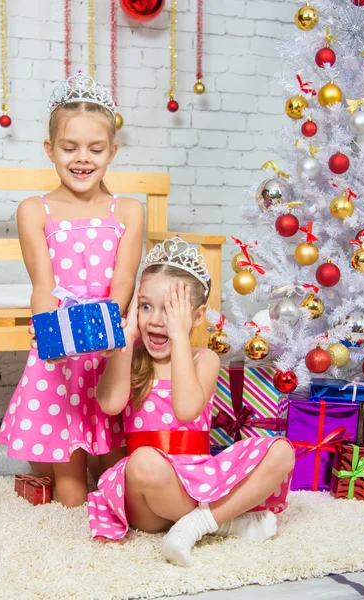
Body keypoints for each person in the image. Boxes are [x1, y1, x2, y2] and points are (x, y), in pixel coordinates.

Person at [88, 236, 295, 567]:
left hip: (200, 477)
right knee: (142, 461)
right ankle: (225, 522)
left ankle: (197, 524)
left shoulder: (204, 359)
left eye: (171, 310)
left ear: (197, 317)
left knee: (282, 450)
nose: (157, 320)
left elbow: (186, 409)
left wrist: (181, 337)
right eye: (145, 306)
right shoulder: (130, 356)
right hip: (149, 494)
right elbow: (110, 404)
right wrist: (125, 341)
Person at [0, 71, 144, 507]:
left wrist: (97, 329)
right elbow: (43, 285)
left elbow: (123, 281)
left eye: (95, 149)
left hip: (107, 341)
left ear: (112, 152)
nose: (82, 158)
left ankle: (109, 476)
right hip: (60, 348)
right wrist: (52, 335)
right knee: (71, 496)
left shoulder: (128, 210)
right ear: (50, 150)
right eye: (69, 147)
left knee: (120, 472)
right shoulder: (34, 210)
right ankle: (63, 475)